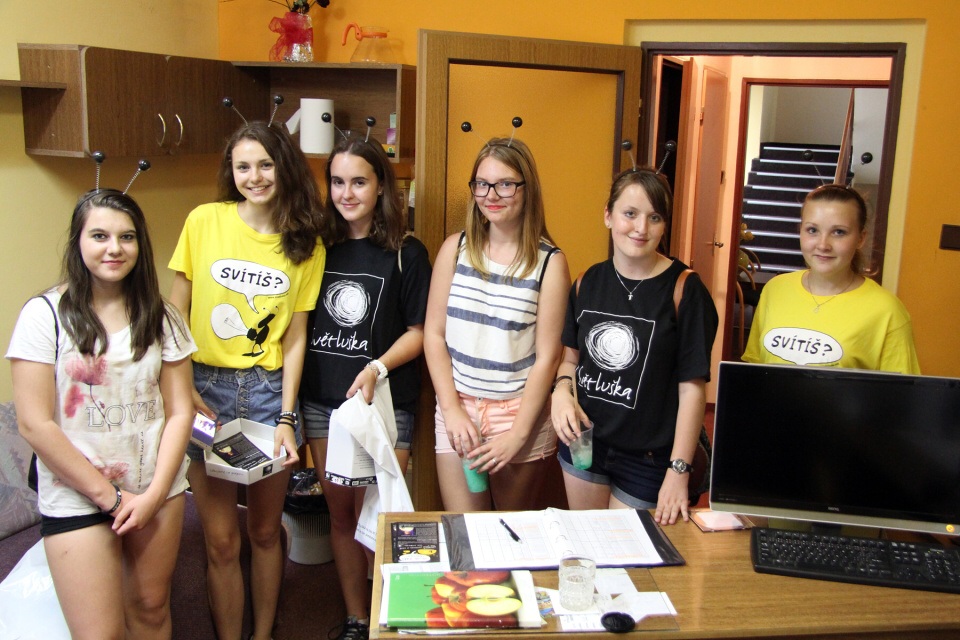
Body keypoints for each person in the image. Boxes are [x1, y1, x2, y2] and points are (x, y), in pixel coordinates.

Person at [7, 189, 196, 639]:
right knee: (100, 633)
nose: (115, 248)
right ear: (78, 241)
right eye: (100, 236)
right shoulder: (44, 315)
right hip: (77, 493)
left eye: (127, 237)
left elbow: (180, 411)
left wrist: (154, 494)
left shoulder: (163, 317)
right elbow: (34, 424)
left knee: (151, 609)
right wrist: (110, 499)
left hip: (155, 488)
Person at [169, 121, 326, 640]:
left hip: (266, 395)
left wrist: (286, 416)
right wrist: (184, 390)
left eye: (265, 164)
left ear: (284, 167)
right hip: (204, 392)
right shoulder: (203, 221)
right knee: (220, 541)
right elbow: (176, 312)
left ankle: (263, 634)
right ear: (230, 172)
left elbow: (296, 337)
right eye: (242, 167)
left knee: (262, 531)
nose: (254, 176)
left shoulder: (306, 244)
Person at [300, 135, 431, 640]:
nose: (347, 193)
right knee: (340, 515)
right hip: (323, 403)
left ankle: (388, 618)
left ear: (381, 187)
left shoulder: (406, 253)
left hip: (384, 404)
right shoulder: (316, 247)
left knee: (381, 518)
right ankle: (357, 618)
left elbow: (419, 332)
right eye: (337, 182)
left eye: (359, 181)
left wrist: (376, 367)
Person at [551, 167, 718, 525]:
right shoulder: (586, 282)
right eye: (630, 213)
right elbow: (570, 360)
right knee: (589, 543)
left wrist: (679, 470)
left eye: (654, 217)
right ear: (608, 216)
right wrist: (562, 392)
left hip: (650, 459)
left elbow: (692, 389)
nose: (641, 228)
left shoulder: (685, 290)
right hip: (585, 444)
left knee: (629, 555)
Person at [424, 137, 570, 512]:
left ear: (527, 188)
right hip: (458, 409)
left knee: (511, 534)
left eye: (505, 184)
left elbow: (548, 358)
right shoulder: (454, 249)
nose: (491, 195)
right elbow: (434, 336)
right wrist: (452, 409)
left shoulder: (549, 263)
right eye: (482, 184)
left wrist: (518, 435)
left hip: (519, 415)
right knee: (465, 530)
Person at [742, 183, 919, 373]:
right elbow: (755, 368)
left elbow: (899, 389)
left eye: (839, 232)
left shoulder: (887, 311)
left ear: (860, 238)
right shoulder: (775, 289)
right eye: (812, 230)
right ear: (800, 231)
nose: (823, 245)